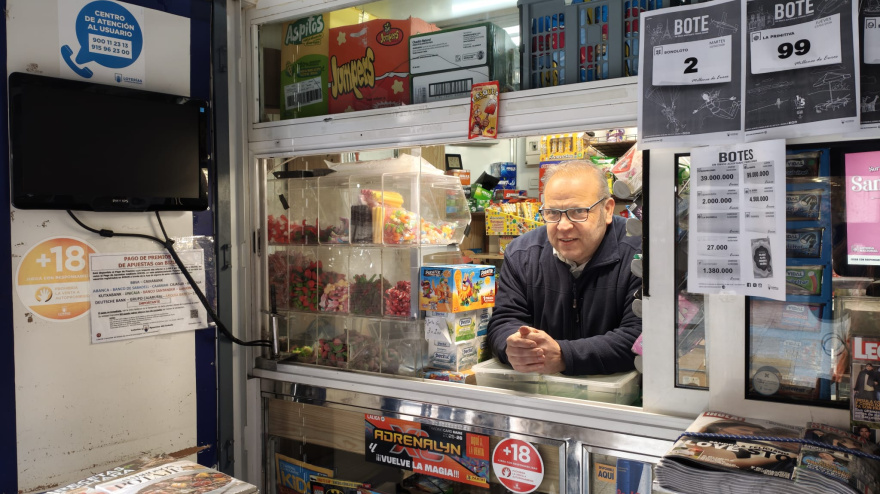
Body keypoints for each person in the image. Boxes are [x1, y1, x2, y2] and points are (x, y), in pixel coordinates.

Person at [487, 160, 642, 375]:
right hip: (539, 394)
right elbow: (504, 320)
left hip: (621, 397)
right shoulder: (521, 254)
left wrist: (564, 356)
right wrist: (514, 348)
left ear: (607, 210)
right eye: (552, 213)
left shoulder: (640, 255)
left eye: (578, 211)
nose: (563, 226)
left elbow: (640, 336)